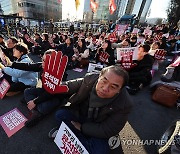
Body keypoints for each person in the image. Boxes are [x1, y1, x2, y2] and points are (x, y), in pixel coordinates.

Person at [48, 65, 133, 154]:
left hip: (98, 126)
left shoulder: (125, 104)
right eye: (104, 81)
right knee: (60, 115)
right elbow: (70, 85)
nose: (105, 88)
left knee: (100, 151)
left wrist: (82, 128)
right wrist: (55, 85)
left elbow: (108, 129)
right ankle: (74, 137)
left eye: (113, 87)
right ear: (99, 77)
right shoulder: (90, 79)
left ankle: (67, 134)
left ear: (119, 90)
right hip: (80, 115)